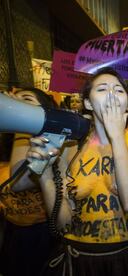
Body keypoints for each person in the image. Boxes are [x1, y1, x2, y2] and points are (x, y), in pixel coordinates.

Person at [25, 67, 128, 275]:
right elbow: (63, 223)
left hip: (125, 258)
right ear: (87, 103)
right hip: (81, 260)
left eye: (119, 90)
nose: (112, 94)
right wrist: (45, 175)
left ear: (127, 103)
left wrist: (117, 138)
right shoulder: (70, 148)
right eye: (102, 89)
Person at [0, 88, 57, 276]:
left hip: (40, 231)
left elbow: (19, 182)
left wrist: (20, 123)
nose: (16, 104)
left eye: (26, 99)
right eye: (13, 101)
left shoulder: (50, 142)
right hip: (11, 229)